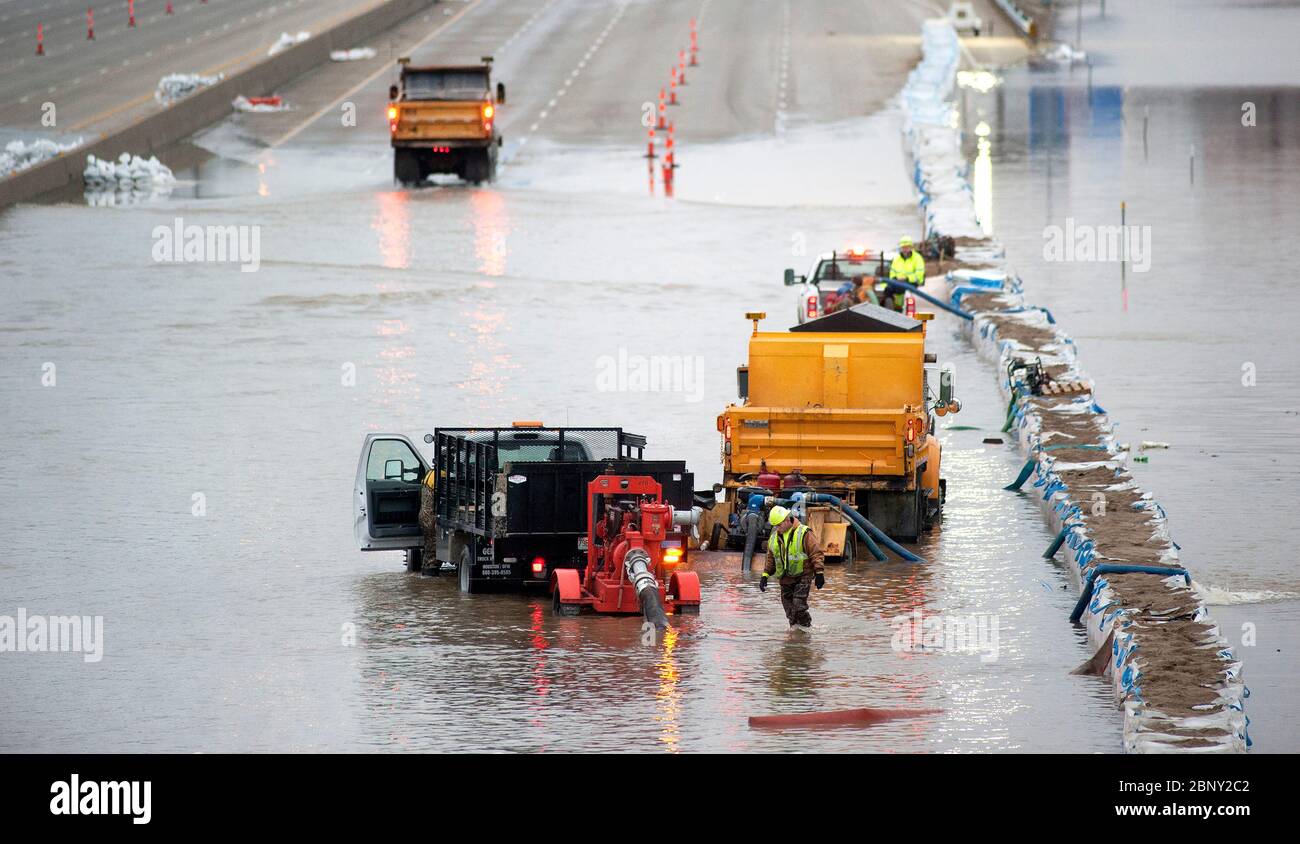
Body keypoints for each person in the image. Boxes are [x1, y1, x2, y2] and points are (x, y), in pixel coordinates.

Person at [759, 505, 826, 631]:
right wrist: (765, 576)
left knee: (798, 604)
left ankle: (807, 629)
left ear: (786, 520)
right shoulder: (774, 537)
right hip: (785, 578)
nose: (777, 528)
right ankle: (795, 633)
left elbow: (816, 553)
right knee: (789, 610)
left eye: (778, 525)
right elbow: (771, 559)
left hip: (803, 575)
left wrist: (819, 572)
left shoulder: (804, 533)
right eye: (775, 526)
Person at [887, 236, 926, 311]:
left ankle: (900, 308)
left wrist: (907, 278)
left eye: (907, 247)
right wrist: (895, 278)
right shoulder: (896, 258)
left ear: (911, 247)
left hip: (913, 282)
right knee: (887, 289)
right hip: (898, 282)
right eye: (903, 247)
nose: (905, 249)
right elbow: (892, 273)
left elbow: (919, 275)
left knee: (900, 289)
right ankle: (891, 309)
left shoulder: (918, 258)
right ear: (900, 248)